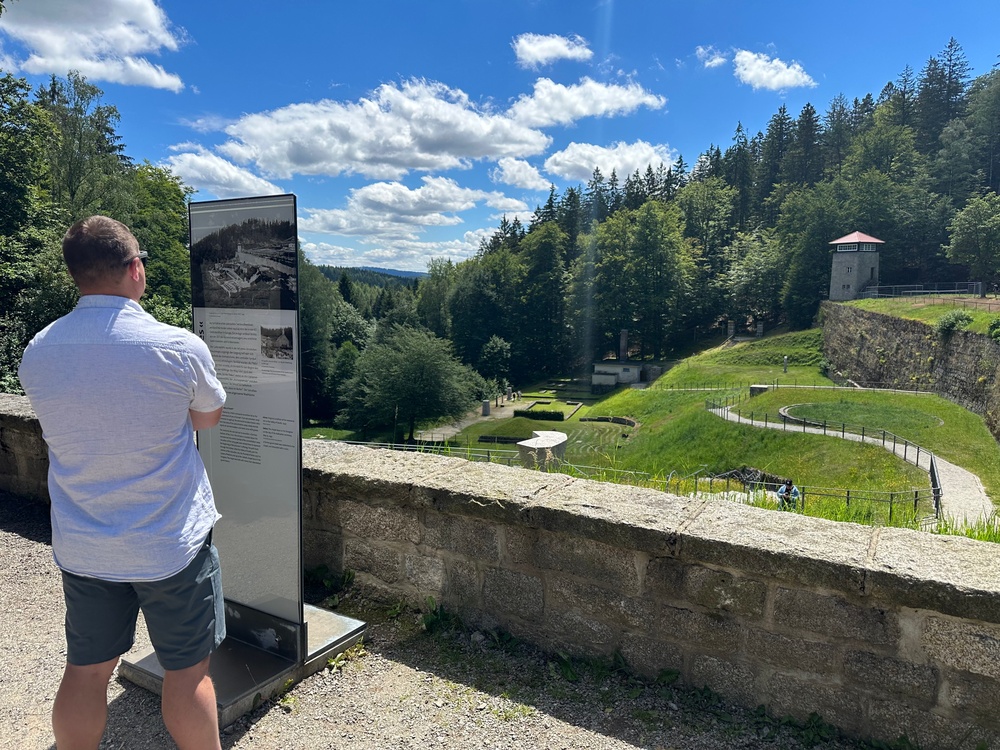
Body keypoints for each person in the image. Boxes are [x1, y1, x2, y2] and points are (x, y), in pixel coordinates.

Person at [18, 216, 227, 750]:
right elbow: (207, 418)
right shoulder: (177, 346)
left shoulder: (39, 350)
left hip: (84, 541)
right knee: (187, 672)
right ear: (135, 269)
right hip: (168, 543)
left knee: (86, 670)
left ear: (75, 275)